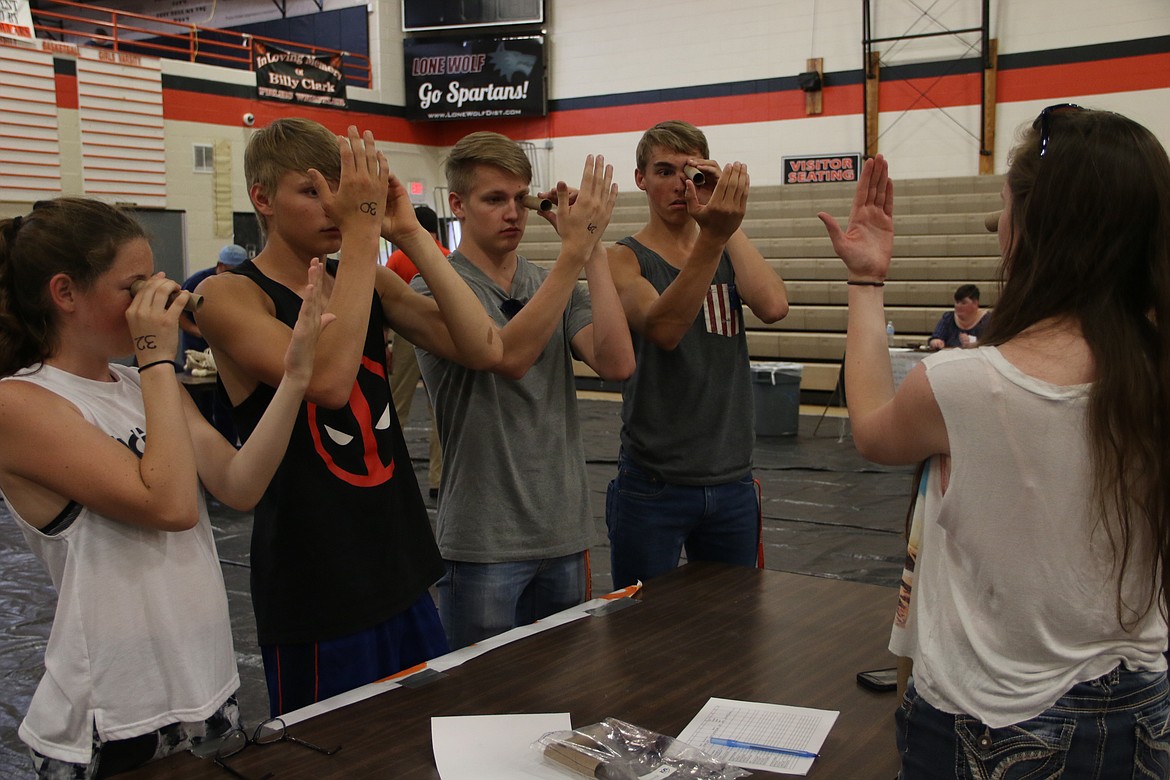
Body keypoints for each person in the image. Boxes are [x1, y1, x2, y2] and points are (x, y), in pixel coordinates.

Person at [818, 108, 1170, 777]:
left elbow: (871, 428)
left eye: (1005, 208)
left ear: (1031, 230)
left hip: (993, 724)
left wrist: (866, 280)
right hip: (1142, 708)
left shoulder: (967, 383)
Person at [0, 198, 332, 778]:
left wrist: (296, 376)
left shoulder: (136, 384)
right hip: (114, 711)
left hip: (202, 685)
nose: (156, 300)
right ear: (65, 293)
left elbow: (238, 483)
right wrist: (158, 358)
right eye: (135, 287)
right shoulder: (22, 403)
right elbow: (172, 505)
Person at [195, 120, 506, 716]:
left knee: (425, 737)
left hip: (398, 554)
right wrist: (364, 232)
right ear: (262, 199)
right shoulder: (231, 296)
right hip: (316, 574)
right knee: (340, 756)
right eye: (311, 191)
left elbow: (482, 346)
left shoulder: (363, 277)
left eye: (338, 188)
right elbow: (329, 384)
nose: (334, 204)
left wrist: (410, 234)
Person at [412, 131, 634, 650]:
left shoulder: (547, 279)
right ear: (457, 205)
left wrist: (593, 249)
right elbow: (509, 357)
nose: (513, 212)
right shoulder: (435, 286)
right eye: (494, 199)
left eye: (520, 198)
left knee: (560, 700)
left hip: (561, 528)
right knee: (480, 703)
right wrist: (572, 256)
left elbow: (618, 363)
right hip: (483, 538)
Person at [605, 120, 789, 590]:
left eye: (690, 172)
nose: (678, 185)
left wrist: (723, 223)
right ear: (640, 178)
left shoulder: (724, 246)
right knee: (644, 630)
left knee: (731, 629)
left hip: (732, 477)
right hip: (655, 482)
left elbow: (773, 306)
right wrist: (714, 236)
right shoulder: (624, 258)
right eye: (663, 171)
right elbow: (663, 329)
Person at [385, 205, 447, 499]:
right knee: (441, 408)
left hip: (406, 333)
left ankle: (388, 468)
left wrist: (384, 341)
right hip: (441, 332)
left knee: (397, 404)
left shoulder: (398, 257)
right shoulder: (447, 256)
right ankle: (439, 478)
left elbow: (381, 301)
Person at [179, 243, 249, 444]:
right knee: (201, 401)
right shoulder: (197, 283)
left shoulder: (243, 283)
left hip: (223, 348)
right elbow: (180, 315)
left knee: (226, 399)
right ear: (220, 266)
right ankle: (203, 445)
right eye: (230, 271)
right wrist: (200, 332)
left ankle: (226, 445)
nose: (234, 276)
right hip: (198, 346)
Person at [927, 283, 989, 350]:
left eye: (963, 303)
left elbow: (992, 344)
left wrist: (974, 343)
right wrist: (935, 342)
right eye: (957, 302)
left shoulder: (988, 320)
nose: (958, 306)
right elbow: (935, 337)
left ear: (975, 303)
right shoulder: (948, 318)